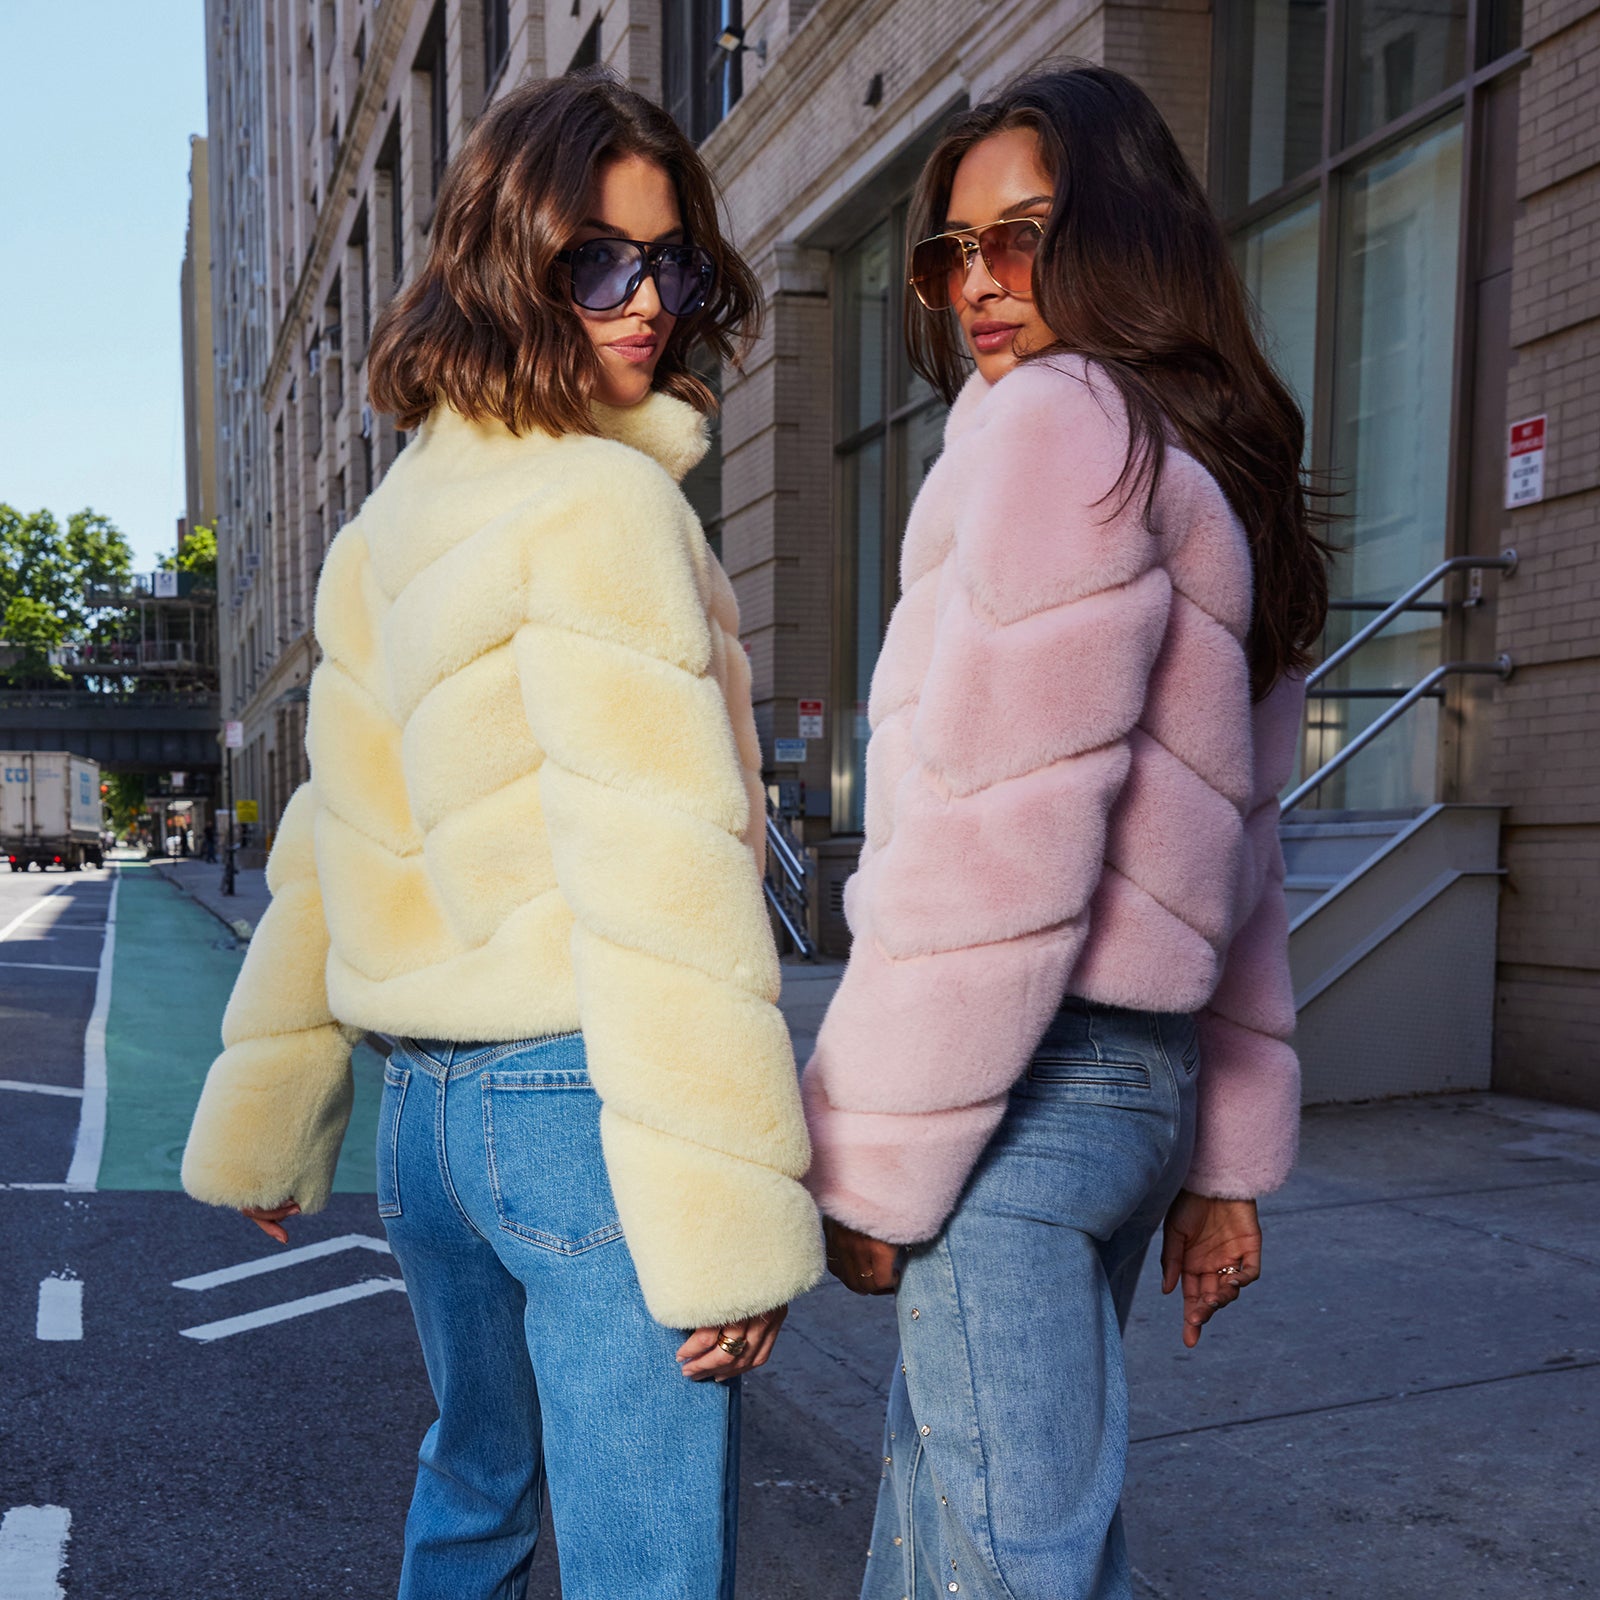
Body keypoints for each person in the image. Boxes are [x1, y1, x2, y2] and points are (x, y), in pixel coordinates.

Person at [180, 71, 822, 1600]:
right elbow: (662, 875)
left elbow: (330, 845)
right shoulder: (600, 505)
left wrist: (276, 1111)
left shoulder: (385, 526)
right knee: (644, 1558)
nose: (647, 299)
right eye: (598, 259)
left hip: (434, 1133)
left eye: (669, 263)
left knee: (474, 1492)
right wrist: (730, 1217)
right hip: (584, 1110)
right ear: (506, 263)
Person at [804, 64, 1331, 1600]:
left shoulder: (1051, 425)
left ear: (1120, 236)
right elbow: (1238, 857)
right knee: (952, 1538)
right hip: (1131, 1101)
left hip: (1017, 1102)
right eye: (952, 252)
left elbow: (994, 847)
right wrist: (1221, 1160)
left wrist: (875, 1162)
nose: (978, 286)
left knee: (1000, 1565)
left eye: (1021, 238)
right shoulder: (1199, 459)